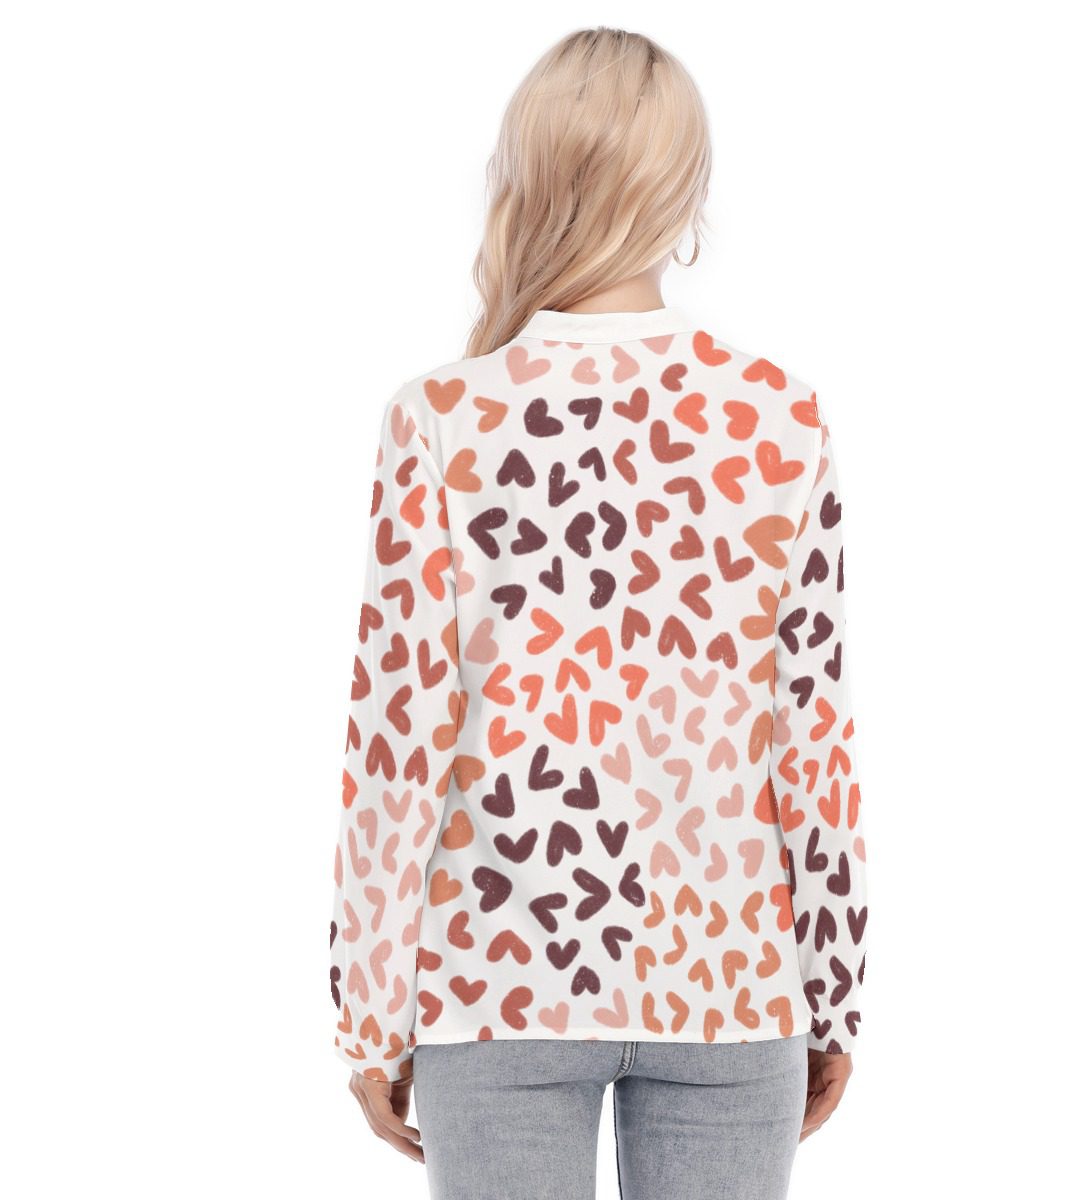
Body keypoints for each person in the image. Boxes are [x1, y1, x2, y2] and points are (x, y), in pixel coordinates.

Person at [329, 26, 868, 1200]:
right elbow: (811, 735)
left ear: (524, 177)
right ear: (687, 192)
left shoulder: (441, 418)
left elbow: (398, 741)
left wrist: (368, 1012)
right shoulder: (778, 414)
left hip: (497, 975)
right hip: (730, 975)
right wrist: (832, 990)